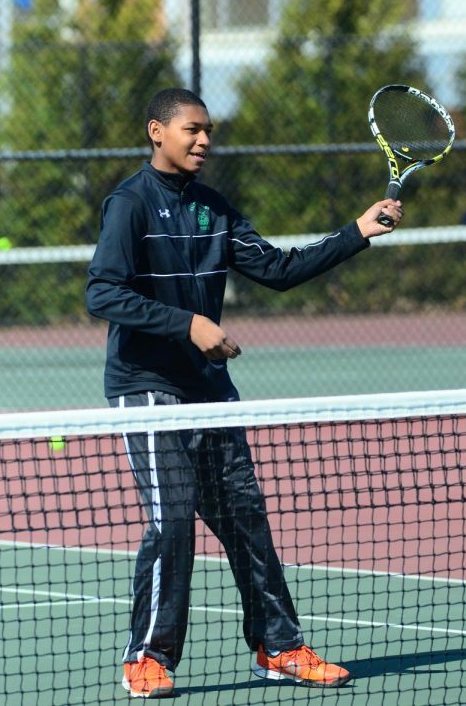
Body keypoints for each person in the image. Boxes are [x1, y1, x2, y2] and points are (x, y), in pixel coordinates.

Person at [86, 88, 403, 699]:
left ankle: (279, 647)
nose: (204, 140)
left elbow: (278, 270)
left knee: (246, 520)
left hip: (209, 391)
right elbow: (102, 293)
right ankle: (148, 657)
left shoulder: (215, 208)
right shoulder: (128, 205)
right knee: (172, 518)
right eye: (191, 130)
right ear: (157, 131)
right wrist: (188, 325)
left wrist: (357, 232)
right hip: (146, 387)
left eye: (209, 131)